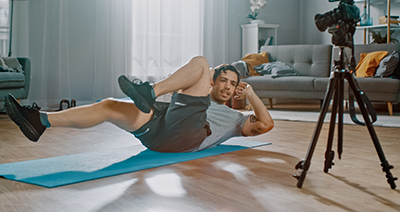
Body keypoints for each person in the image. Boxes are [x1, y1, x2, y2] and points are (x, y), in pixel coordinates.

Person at [4, 56, 274, 152]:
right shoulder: (198, 93)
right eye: (222, 80)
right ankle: (40, 121)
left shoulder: (236, 121)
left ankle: (150, 91)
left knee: (201, 62)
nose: (227, 86)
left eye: (232, 83)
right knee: (109, 106)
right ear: (212, 84)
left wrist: (249, 92)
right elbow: (195, 81)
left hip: (188, 135)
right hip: (160, 130)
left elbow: (265, 123)